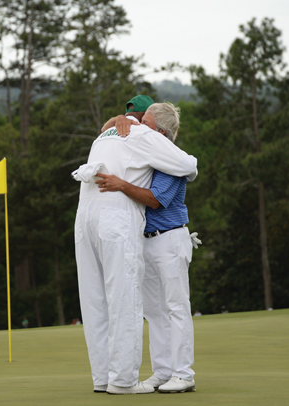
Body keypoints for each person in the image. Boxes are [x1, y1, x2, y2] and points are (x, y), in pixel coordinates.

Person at [72, 96, 198, 395]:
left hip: (169, 237)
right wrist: (119, 120)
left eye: (145, 123)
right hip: (144, 238)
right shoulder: (137, 140)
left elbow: (160, 194)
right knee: (152, 311)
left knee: (174, 308)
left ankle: (182, 373)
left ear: (163, 133)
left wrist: (120, 184)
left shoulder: (164, 155)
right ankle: (159, 372)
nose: (138, 125)